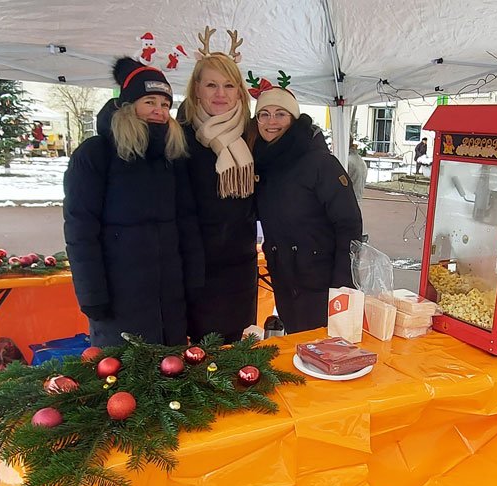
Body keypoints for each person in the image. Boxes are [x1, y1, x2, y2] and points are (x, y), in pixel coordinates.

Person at [63, 57, 202, 347]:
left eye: (165, 104)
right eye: (150, 102)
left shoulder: (172, 156)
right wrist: (92, 295)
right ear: (128, 105)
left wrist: (192, 282)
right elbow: (80, 230)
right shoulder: (96, 154)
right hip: (119, 299)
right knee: (124, 371)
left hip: (170, 300)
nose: (159, 111)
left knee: (171, 369)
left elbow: (186, 224)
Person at [248, 83, 363, 334]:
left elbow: (349, 223)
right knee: (297, 342)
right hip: (285, 278)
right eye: (264, 114)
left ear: (293, 118)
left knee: (324, 346)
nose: (271, 121)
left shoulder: (319, 162)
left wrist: (343, 282)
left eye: (280, 114)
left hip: (322, 281)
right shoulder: (263, 163)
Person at [177, 34, 258, 342]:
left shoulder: (252, 134)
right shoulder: (180, 136)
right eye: (211, 85)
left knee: (236, 349)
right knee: (197, 351)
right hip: (195, 267)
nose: (221, 93)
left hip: (239, 266)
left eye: (228, 85)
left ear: (239, 91)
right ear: (197, 89)